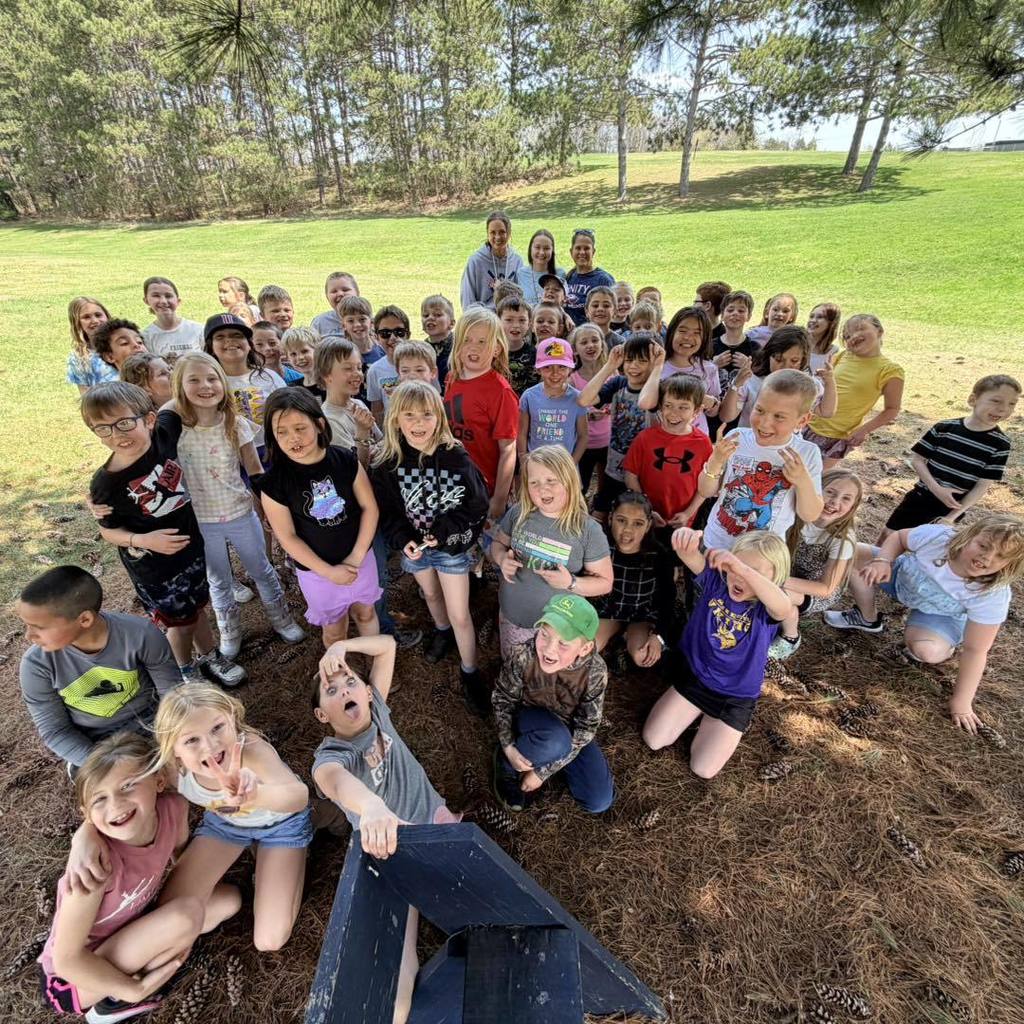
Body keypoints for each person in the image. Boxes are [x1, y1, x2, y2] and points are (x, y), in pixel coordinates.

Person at [311, 635, 461, 1024]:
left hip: (434, 823)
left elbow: (388, 646)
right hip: (392, 849)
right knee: (399, 980)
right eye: (332, 690)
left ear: (366, 692)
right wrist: (372, 806)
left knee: (481, 899)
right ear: (322, 715)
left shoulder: (377, 710)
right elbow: (337, 783)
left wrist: (342, 648)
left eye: (351, 683)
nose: (346, 690)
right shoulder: (330, 758)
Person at [38, 732, 239, 1023]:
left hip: (133, 922)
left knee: (227, 901)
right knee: (185, 916)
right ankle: (113, 1004)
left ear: (158, 782)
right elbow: (67, 960)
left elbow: (181, 859)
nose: (116, 805)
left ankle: (157, 946)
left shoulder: (174, 808)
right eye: (100, 800)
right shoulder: (94, 869)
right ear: (87, 814)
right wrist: (132, 989)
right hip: (74, 977)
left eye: (128, 786)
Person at [83, 382, 246, 687]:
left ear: (148, 419)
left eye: (124, 423)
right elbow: (109, 533)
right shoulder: (106, 484)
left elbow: (175, 402)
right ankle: (185, 672)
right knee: (179, 624)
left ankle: (209, 655)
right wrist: (143, 540)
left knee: (196, 608)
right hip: (156, 569)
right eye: (102, 429)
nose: (116, 435)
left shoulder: (164, 434)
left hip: (191, 550)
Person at [825, 513, 1024, 734]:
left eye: (1001, 556)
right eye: (983, 545)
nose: (987, 557)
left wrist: (962, 702)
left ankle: (944, 641)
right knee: (846, 551)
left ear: (1010, 563)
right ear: (969, 535)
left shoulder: (992, 594)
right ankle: (867, 617)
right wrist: (883, 561)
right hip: (901, 577)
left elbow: (976, 650)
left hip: (939, 614)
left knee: (927, 651)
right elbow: (900, 538)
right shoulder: (939, 537)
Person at [151, 683, 311, 951]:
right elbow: (124, 793)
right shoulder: (171, 772)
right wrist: (87, 836)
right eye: (191, 740)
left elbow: (298, 797)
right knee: (171, 912)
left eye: (217, 728)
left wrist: (255, 795)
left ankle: (283, 858)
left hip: (281, 825)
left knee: (268, 940)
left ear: (232, 718)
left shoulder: (252, 752)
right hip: (225, 826)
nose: (211, 746)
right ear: (173, 749)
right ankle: (229, 898)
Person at [169, 352, 305, 656]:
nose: (205, 386)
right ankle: (230, 633)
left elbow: (256, 471)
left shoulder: (236, 424)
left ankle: (281, 618)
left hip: (240, 513)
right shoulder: (174, 428)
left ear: (222, 382)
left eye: (212, 378)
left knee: (261, 568)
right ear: (179, 385)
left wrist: (270, 509)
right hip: (201, 521)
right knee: (218, 580)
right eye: (194, 380)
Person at [370, 381, 490, 709]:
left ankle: (470, 670)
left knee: (460, 612)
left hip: (450, 548)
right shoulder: (387, 464)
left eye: (426, 415)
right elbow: (389, 513)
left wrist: (444, 530)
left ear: (439, 417)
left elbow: (476, 504)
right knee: (431, 595)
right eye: (409, 415)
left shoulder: (454, 457)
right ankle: (442, 631)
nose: (418, 423)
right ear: (395, 419)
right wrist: (404, 540)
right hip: (416, 550)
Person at [643, 529, 795, 777]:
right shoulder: (717, 582)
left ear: (773, 580)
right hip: (696, 678)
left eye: (754, 572)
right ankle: (691, 713)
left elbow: (784, 607)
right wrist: (684, 543)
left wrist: (743, 569)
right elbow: (691, 557)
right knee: (654, 739)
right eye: (735, 566)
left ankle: (709, 724)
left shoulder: (766, 609)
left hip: (734, 698)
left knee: (703, 769)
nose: (740, 577)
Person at [16, 566, 181, 770]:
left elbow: (172, 694)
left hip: (153, 719)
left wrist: (174, 736)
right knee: (120, 795)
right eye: (26, 626)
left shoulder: (140, 634)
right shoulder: (36, 665)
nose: (28, 636)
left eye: (39, 627)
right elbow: (56, 731)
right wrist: (98, 764)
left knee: (182, 776)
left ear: (85, 619)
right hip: (95, 740)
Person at [259, 388, 381, 646]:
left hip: (360, 558)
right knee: (335, 629)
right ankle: (342, 680)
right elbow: (288, 538)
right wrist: (329, 572)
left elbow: (370, 508)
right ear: (272, 435)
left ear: (319, 424)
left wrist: (357, 556)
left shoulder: (345, 460)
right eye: (282, 432)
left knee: (366, 612)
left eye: (300, 428)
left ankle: (376, 670)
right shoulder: (274, 484)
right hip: (317, 573)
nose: (293, 438)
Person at [492, 593, 614, 814]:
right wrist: (508, 746)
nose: (548, 649)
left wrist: (543, 772)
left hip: (569, 731)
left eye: (563, 643)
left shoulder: (595, 672)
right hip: (531, 718)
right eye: (544, 635)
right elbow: (503, 699)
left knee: (599, 801)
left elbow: (586, 728)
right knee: (555, 740)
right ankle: (507, 762)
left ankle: (542, 755)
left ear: (585, 648)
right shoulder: (523, 655)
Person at [491, 445, 612, 657]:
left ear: (569, 481)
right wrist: (501, 559)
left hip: (557, 632)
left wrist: (571, 583)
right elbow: (498, 544)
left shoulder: (587, 530)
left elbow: (604, 582)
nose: (541, 489)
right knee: (513, 668)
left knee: (544, 678)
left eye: (551, 481)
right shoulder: (519, 513)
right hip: (513, 617)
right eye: (534, 482)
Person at [698, 369, 824, 551]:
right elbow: (705, 491)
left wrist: (802, 481)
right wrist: (716, 461)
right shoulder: (736, 437)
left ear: (803, 420)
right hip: (717, 544)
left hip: (761, 556)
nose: (764, 423)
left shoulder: (806, 453)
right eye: (759, 410)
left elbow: (810, 514)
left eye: (779, 416)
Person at [881, 374, 1018, 540]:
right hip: (920, 497)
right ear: (972, 400)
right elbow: (917, 459)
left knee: (923, 548)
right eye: (996, 401)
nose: (1004, 409)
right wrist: (937, 489)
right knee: (888, 536)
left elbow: (982, 486)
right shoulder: (945, 427)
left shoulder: (1000, 444)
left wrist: (950, 517)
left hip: (950, 509)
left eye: (1012, 404)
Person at [770, 468, 863, 659]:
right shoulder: (796, 515)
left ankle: (790, 636)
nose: (835, 502)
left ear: (853, 506)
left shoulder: (842, 539)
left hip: (816, 590)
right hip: (789, 571)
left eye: (846, 498)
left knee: (778, 594)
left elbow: (826, 588)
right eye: (830, 492)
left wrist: (778, 580)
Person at [442, 308, 519, 529]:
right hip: (452, 479)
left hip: (483, 486)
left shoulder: (500, 391)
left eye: (483, 342)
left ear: (496, 349)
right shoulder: (451, 377)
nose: (473, 347)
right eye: (467, 340)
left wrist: (499, 499)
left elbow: (508, 449)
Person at [804, 313, 905, 470]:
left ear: (879, 330)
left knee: (816, 477)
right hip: (809, 424)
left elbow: (892, 409)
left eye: (860, 328)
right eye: (847, 335)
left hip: (838, 436)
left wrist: (864, 430)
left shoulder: (890, 370)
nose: (853, 336)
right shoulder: (842, 356)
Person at [623, 374, 713, 540]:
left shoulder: (703, 443)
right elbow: (631, 475)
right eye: (668, 405)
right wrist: (646, 510)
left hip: (683, 520)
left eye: (683, 407)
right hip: (646, 517)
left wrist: (688, 513)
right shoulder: (645, 438)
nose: (673, 413)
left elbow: (705, 486)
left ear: (697, 411)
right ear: (660, 406)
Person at [576, 335, 657, 519]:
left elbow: (647, 403)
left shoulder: (657, 389)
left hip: (643, 471)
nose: (633, 366)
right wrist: (610, 366)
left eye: (643, 360)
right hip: (615, 465)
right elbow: (584, 399)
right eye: (629, 360)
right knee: (601, 512)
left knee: (637, 514)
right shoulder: (618, 383)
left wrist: (659, 366)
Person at [592, 492, 674, 669]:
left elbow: (668, 599)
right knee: (588, 649)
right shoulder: (600, 547)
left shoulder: (658, 554)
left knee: (643, 656)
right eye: (621, 520)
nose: (628, 530)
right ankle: (615, 635)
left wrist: (659, 636)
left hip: (641, 615)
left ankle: (627, 640)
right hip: (609, 612)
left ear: (648, 526)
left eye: (638, 524)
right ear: (610, 518)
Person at [718, 326, 836, 428]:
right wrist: (736, 385)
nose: (785, 366)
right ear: (768, 355)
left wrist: (830, 381)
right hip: (752, 447)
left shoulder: (808, 385)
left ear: (803, 361)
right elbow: (727, 417)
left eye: (794, 361)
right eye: (779, 359)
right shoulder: (752, 381)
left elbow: (825, 411)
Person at [203, 312, 285, 456]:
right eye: (220, 337)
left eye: (237, 335)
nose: (229, 341)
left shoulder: (269, 377)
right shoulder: (208, 384)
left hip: (273, 450)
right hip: (230, 456)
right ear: (211, 347)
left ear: (249, 344)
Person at [640, 305, 721, 435]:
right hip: (658, 437)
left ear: (705, 338)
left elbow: (714, 412)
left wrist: (712, 403)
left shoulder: (709, 369)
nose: (688, 337)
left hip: (695, 440)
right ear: (672, 332)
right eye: (682, 331)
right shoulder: (655, 365)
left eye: (697, 333)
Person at [518, 339, 588, 462]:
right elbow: (522, 432)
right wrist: (523, 458)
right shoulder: (529, 397)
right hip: (536, 465)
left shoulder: (578, 398)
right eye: (547, 367)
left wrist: (572, 463)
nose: (555, 373)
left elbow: (583, 436)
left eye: (562, 367)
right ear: (538, 370)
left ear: (570, 369)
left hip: (565, 467)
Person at [318, 337, 380, 459]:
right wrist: (362, 433)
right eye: (348, 369)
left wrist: (377, 449)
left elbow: (382, 441)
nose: (357, 374)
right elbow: (355, 468)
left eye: (359, 367)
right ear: (326, 375)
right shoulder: (330, 420)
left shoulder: (358, 404)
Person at [569, 323, 610, 494]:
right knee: (581, 485)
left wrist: (609, 410)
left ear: (602, 344)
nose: (590, 345)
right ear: (575, 350)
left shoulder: (611, 374)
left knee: (605, 483)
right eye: (584, 342)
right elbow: (570, 411)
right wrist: (589, 416)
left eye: (594, 340)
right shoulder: (573, 379)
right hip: (585, 444)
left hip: (608, 440)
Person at [460, 210, 524, 310]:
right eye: (493, 232)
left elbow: (521, 298)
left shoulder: (517, 261)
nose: (497, 237)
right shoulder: (476, 261)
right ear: (487, 234)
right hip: (483, 320)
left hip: (509, 320)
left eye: (502, 232)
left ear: (509, 232)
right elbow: (467, 300)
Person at [366, 305, 412, 423]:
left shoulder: (421, 365)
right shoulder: (375, 371)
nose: (393, 338)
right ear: (376, 337)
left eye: (399, 332)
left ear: (408, 335)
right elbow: (377, 410)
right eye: (385, 333)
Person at [140, 278, 203, 362]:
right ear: (146, 300)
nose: (163, 301)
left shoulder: (198, 330)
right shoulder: (147, 336)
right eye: (156, 296)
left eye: (168, 296)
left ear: (178, 301)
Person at [711, 290, 757, 399]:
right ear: (722, 315)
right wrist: (713, 365)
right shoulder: (710, 346)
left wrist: (748, 370)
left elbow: (759, 381)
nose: (735, 313)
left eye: (741, 311)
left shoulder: (754, 348)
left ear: (749, 316)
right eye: (730, 310)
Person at [67, 297, 118, 393]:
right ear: (77, 323)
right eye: (86, 317)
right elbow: (84, 395)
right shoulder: (79, 357)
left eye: (98, 315)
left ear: (106, 316)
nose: (95, 320)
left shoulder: (124, 343)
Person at [564, 229, 615, 326]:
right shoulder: (568, 277)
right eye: (578, 248)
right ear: (571, 251)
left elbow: (611, 313)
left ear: (593, 251)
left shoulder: (603, 280)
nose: (582, 252)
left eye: (586, 248)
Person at [513, 229, 564, 305]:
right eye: (537, 247)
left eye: (546, 248)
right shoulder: (520, 274)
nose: (542, 252)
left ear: (552, 251)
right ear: (531, 248)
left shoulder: (560, 274)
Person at [499, 296, 537, 396]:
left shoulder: (534, 354)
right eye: (509, 320)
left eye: (522, 320)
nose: (516, 325)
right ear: (498, 321)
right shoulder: (492, 353)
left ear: (529, 324)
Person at [421, 294, 456, 391]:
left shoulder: (458, 345)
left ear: (452, 323)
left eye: (437, 315)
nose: (430, 318)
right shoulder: (421, 349)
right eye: (425, 315)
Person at [311, 271, 360, 338]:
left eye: (345, 290)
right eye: (334, 291)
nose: (340, 294)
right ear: (327, 297)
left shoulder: (367, 319)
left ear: (357, 293)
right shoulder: (320, 323)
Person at [282, 325, 325, 399]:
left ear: (318, 350)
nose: (300, 357)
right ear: (288, 358)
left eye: (304, 351)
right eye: (293, 354)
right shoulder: (292, 389)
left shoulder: (331, 383)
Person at [806, 302, 841, 372]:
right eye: (811, 316)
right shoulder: (797, 342)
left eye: (820, 317)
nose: (813, 320)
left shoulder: (834, 352)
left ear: (831, 323)